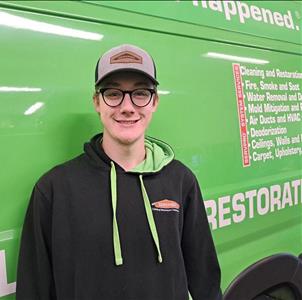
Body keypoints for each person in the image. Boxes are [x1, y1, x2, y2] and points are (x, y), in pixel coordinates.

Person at [16, 44, 223, 300]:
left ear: (154, 102)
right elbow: (33, 290)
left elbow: (206, 282)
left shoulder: (181, 181)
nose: (127, 107)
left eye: (140, 93)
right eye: (113, 94)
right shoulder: (54, 190)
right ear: (96, 102)